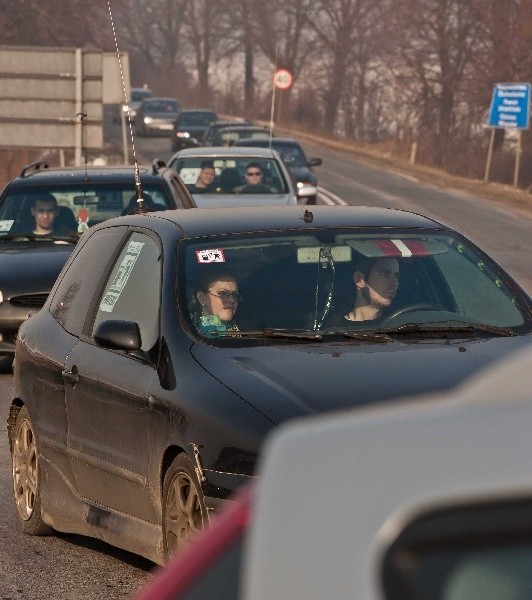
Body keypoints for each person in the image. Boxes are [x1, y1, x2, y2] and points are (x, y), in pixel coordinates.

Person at [328, 256, 399, 326]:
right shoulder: (333, 328)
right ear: (359, 279)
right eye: (385, 274)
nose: (395, 283)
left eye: (396, 276)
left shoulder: (399, 325)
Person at [189, 269, 241, 337]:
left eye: (235, 295)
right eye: (223, 293)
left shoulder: (247, 330)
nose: (232, 300)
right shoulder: (184, 331)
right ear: (201, 298)